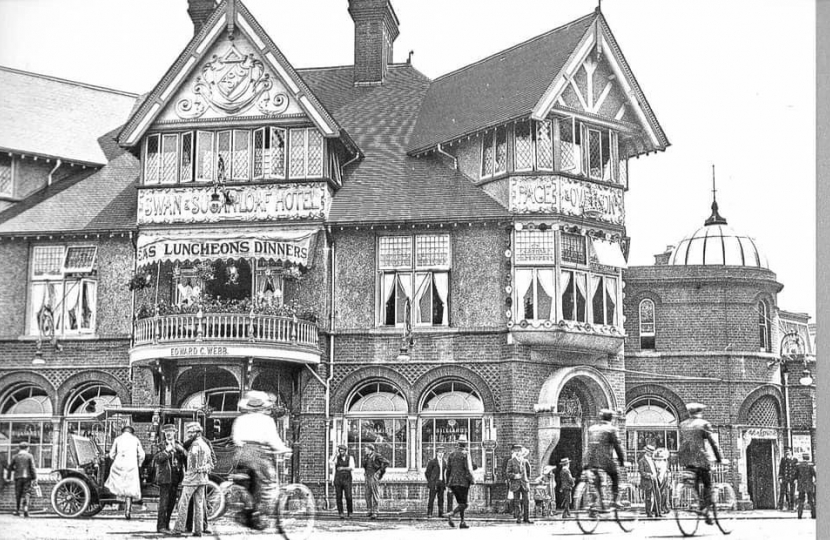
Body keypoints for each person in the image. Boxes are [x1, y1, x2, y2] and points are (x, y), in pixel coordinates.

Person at [232, 390, 291, 529]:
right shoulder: (266, 420)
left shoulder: (240, 419)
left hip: (241, 455)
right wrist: (284, 450)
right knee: (270, 483)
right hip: (258, 455)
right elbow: (273, 440)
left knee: (249, 485)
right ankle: (261, 515)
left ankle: (247, 511)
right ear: (262, 407)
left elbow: (236, 439)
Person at [677, 403, 723, 525]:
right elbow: (713, 443)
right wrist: (719, 458)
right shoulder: (703, 424)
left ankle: (699, 504)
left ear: (690, 413)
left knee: (695, 484)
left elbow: (682, 443)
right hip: (701, 460)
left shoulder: (682, 425)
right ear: (700, 412)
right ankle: (704, 508)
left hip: (687, 460)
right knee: (708, 485)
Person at [171, 422, 213, 537]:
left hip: (191, 480)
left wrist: (183, 451)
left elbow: (192, 465)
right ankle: (198, 530)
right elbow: (211, 464)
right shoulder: (205, 445)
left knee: (182, 504)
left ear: (197, 432)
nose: (189, 434)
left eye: (191, 432)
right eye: (188, 432)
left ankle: (178, 529)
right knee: (199, 505)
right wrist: (203, 469)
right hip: (203, 479)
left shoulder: (194, 446)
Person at [584, 409, 626, 510]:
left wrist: (586, 462)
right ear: (610, 418)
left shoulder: (592, 428)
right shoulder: (611, 429)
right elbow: (617, 446)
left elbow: (589, 446)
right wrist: (621, 460)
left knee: (596, 480)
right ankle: (615, 500)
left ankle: (598, 502)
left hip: (591, 460)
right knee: (615, 476)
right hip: (605, 460)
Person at [105, 425, 145, 520]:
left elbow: (111, 454)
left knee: (116, 481)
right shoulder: (135, 440)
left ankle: (112, 495)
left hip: (119, 465)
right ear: (132, 432)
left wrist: (114, 458)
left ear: (123, 432)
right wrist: (139, 464)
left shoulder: (118, 439)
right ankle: (127, 510)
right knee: (130, 488)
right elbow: (142, 455)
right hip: (131, 466)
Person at [152, 424, 186, 534]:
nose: (168, 433)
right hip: (165, 478)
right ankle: (161, 527)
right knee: (163, 504)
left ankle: (166, 525)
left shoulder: (179, 445)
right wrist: (166, 451)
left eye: (170, 431)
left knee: (171, 503)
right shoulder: (161, 445)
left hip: (176, 478)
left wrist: (182, 450)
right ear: (164, 433)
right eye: (166, 431)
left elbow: (185, 457)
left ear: (174, 432)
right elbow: (157, 459)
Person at [446, 435, 474, 529]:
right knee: (465, 504)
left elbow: (448, 470)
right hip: (463, 483)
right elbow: (468, 469)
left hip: (453, 482)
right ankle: (452, 514)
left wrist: (447, 483)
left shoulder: (451, 454)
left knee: (460, 503)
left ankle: (462, 522)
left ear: (458, 444)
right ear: (465, 444)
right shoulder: (466, 454)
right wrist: (472, 479)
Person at [5, 442, 37, 517]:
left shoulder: (15, 456)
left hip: (18, 477)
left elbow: (9, 467)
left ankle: (17, 510)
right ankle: (25, 508)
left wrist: (9, 477)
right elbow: (32, 468)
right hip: (27, 477)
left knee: (18, 493)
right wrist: (34, 477)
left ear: (19, 448)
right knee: (27, 493)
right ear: (27, 448)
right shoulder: (30, 456)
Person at [362, 443, 389, 519]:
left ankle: (375, 511)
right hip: (367, 476)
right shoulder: (366, 457)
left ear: (370, 450)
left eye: (366, 449)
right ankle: (369, 510)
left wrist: (379, 472)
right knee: (367, 494)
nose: (365, 450)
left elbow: (386, 462)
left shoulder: (376, 456)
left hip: (374, 476)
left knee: (375, 494)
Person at [506, 444, 531, 524]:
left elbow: (528, 471)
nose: (518, 453)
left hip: (524, 483)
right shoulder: (511, 461)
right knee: (517, 502)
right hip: (515, 484)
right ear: (514, 452)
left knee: (526, 501)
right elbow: (507, 473)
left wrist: (526, 479)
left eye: (520, 451)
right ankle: (519, 518)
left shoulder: (525, 461)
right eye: (516, 451)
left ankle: (526, 518)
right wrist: (514, 476)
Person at [330, 444, 355, 519]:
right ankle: (340, 512)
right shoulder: (337, 458)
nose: (341, 452)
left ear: (345, 451)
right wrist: (334, 454)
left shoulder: (350, 458)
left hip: (347, 478)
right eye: (340, 451)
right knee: (339, 496)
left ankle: (350, 512)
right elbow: (331, 463)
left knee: (348, 496)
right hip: (338, 479)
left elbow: (352, 468)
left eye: (342, 450)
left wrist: (343, 468)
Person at [425, 447, 447, 517]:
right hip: (434, 483)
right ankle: (429, 513)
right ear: (437, 453)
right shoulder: (432, 462)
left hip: (441, 482)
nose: (441, 454)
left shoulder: (444, 462)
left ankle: (441, 513)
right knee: (431, 498)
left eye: (442, 453)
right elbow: (427, 473)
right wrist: (431, 481)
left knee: (441, 499)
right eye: (439, 452)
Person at [638, 444, 659, 517]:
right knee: (648, 498)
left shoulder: (652, 460)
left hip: (654, 480)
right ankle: (648, 512)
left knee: (657, 496)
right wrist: (649, 476)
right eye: (650, 452)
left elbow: (654, 469)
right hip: (647, 482)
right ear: (646, 452)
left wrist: (657, 473)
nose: (651, 454)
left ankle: (657, 512)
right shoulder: (641, 461)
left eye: (652, 452)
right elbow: (641, 472)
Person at [794, 452, 816, 519]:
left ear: (803, 458)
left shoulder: (798, 465)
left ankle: (799, 515)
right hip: (809, 484)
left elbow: (795, 475)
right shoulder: (810, 465)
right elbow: (814, 474)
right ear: (808, 458)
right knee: (811, 500)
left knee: (801, 500)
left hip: (801, 485)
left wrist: (795, 480)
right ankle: (814, 515)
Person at [778, 447, 798, 511]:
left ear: (791, 452)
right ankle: (780, 506)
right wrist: (780, 477)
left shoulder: (795, 460)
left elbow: (797, 470)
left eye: (788, 451)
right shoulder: (783, 459)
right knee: (782, 492)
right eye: (786, 452)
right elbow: (781, 469)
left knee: (792, 493)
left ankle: (792, 506)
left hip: (792, 478)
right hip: (784, 478)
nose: (787, 453)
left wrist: (796, 478)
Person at [654, 448, 671, 515]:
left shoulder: (665, 463)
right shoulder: (655, 462)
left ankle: (664, 507)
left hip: (664, 478)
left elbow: (666, 471)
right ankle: (658, 508)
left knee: (664, 494)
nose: (660, 459)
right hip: (658, 478)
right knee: (658, 494)